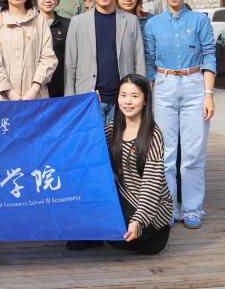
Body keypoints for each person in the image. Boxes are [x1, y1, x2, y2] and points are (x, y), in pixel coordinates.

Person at [144, 0, 216, 229]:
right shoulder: (153, 24)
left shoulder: (200, 20)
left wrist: (208, 95)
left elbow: (209, 56)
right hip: (163, 86)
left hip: (194, 84)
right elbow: (149, 62)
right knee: (166, 153)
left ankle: (193, 208)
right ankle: (169, 208)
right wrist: (151, 97)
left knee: (193, 153)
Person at [68, 74, 172, 254]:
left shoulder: (153, 135)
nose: (127, 101)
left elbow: (152, 185)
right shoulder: (114, 127)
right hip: (123, 197)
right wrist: (92, 111)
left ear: (145, 100)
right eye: (123, 95)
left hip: (147, 209)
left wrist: (138, 220)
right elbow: (90, 145)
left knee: (119, 232)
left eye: (134, 96)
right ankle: (94, 236)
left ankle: (139, 235)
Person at [64, 0, 145, 117]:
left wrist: (140, 93)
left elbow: (139, 60)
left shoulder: (131, 20)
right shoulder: (78, 22)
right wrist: (70, 99)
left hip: (123, 98)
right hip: (88, 96)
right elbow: (70, 65)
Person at [34, 0, 70, 99]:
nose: (48, 0)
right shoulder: (29, 24)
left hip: (60, 86)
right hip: (35, 87)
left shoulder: (67, 24)